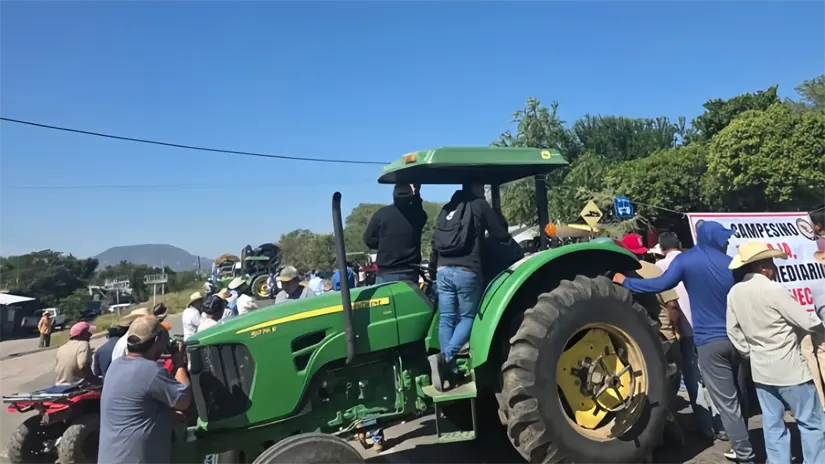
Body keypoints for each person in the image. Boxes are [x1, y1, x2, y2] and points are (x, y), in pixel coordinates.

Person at [613, 221, 755, 463]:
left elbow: (659, 285)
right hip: (737, 339)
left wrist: (626, 282)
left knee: (727, 401)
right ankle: (746, 441)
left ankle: (744, 453)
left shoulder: (688, 260)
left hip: (710, 343)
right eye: (724, 239)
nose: (727, 243)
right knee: (741, 396)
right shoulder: (731, 263)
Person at [727, 241, 825, 463]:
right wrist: (822, 331)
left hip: (761, 370)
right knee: (811, 422)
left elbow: (733, 332)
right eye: (772, 262)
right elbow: (806, 321)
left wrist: (750, 353)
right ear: (763, 266)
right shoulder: (774, 290)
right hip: (791, 370)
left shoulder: (735, 293)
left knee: (772, 425)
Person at [428, 183, 511, 392]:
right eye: (481, 187)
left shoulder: (447, 209)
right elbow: (498, 233)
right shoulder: (479, 205)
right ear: (475, 188)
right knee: (468, 317)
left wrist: (433, 271)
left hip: (443, 270)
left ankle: (451, 371)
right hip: (467, 270)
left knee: (447, 318)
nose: (483, 190)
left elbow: (434, 243)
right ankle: (445, 357)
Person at [98, 315, 191, 464]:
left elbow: (137, 409)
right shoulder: (151, 371)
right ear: (156, 341)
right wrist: (179, 363)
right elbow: (183, 400)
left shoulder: (115, 366)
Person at [656, 231, 718, 440]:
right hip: (708, 325)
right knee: (713, 377)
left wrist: (677, 329)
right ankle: (722, 424)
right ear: (679, 244)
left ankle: (706, 426)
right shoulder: (697, 261)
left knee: (692, 379)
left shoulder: (660, 268)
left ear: (662, 248)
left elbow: (671, 304)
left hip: (685, 330)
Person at [364, 183, 427, 284]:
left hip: (386, 272)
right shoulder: (416, 214)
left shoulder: (381, 214)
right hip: (410, 271)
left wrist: (384, 244)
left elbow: (368, 240)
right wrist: (417, 194)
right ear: (410, 196)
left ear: (394, 195)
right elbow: (421, 214)